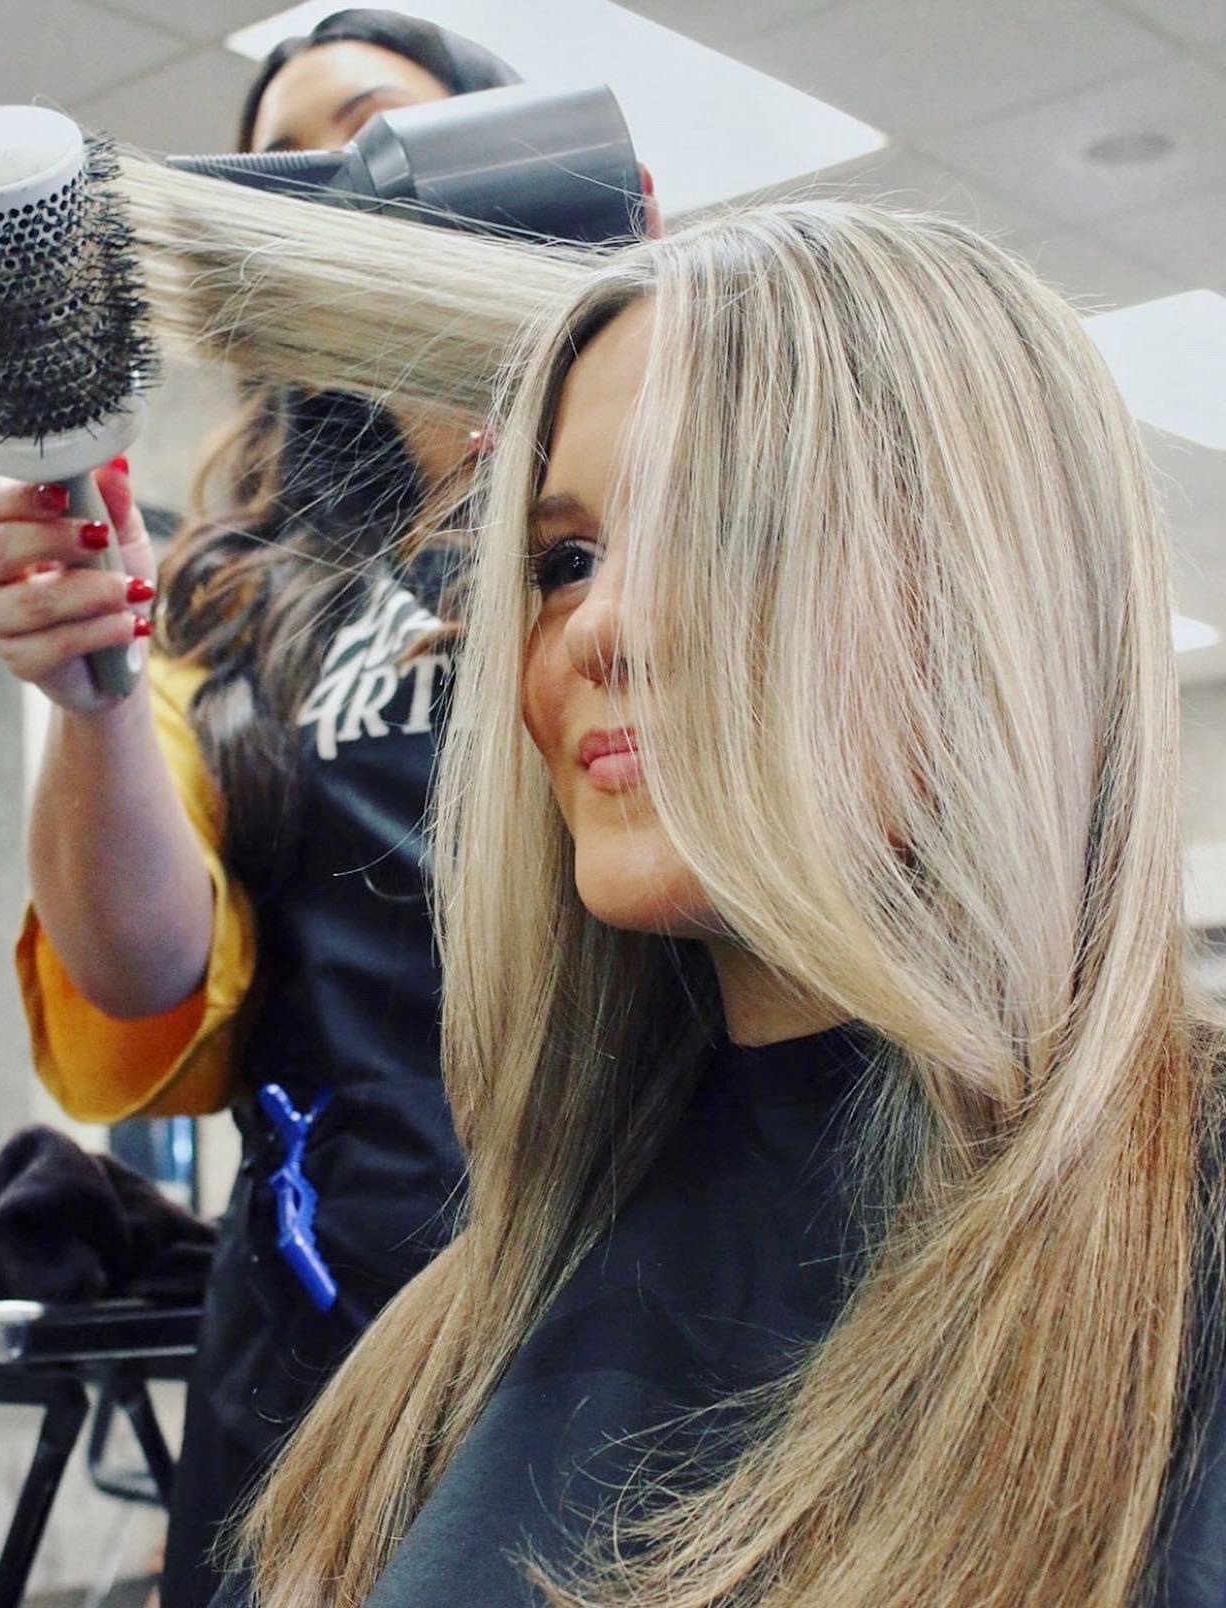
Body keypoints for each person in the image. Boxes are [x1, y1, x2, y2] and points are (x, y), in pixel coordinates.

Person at [224, 204, 1226, 1607]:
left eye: (728, 527)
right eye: (566, 561)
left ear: (1001, 593)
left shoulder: (1175, 1263)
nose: (599, 627)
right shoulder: (473, 1314)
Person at [0, 13, 526, 1604]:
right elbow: (142, 968)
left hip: (621, 1285)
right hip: (318, 1318)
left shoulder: (649, 504)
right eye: (277, 165)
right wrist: (89, 691)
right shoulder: (230, 600)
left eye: (374, 127)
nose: (327, 185)